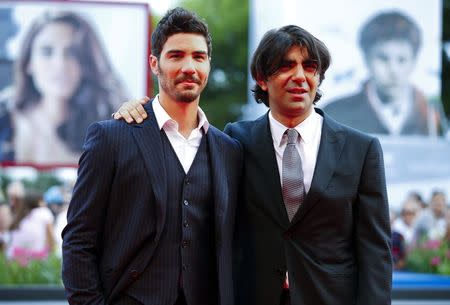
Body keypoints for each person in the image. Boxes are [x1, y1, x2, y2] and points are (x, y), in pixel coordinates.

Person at [115, 24, 392, 305]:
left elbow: (375, 251)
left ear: (318, 77)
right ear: (261, 79)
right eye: (285, 66)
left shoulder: (361, 149)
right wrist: (139, 110)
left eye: (309, 67)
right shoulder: (235, 141)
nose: (299, 76)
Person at [62, 7, 243, 305]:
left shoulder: (228, 150)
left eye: (199, 56)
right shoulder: (112, 137)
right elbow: (79, 240)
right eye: (176, 55)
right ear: (154, 64)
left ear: (209, 64)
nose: (189, 66)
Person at [0, 11, 127, 163]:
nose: (60, 65)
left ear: (87, 63)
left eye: (72, 53)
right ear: (28, 63)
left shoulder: (112, 125)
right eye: (47, 52)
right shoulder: (5, 117)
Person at [323, 11, 443, 136]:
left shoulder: (431, 115)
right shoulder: (335, 115)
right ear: (366, 59)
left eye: (402, 59)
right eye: (383, 59)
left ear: (414, 61)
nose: (393, 70)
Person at [5, 188, 55, 261]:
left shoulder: (20, 216)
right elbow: (51, 239)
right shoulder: (44, 212)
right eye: (43, 200)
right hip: (36, 258)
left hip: (14, 258)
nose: (45, 203)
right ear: (39, 202)